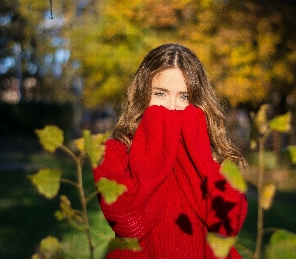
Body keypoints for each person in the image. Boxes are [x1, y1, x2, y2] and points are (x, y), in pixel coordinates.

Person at [93, 43, 248, 259]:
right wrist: (157, 140)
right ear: (143, 95)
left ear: (198, 102)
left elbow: (227, 225)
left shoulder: (214, 154)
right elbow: (130, 225)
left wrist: (198, 153)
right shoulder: (115, 152)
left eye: (184, 97)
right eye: (161, 94)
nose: (172, 107)